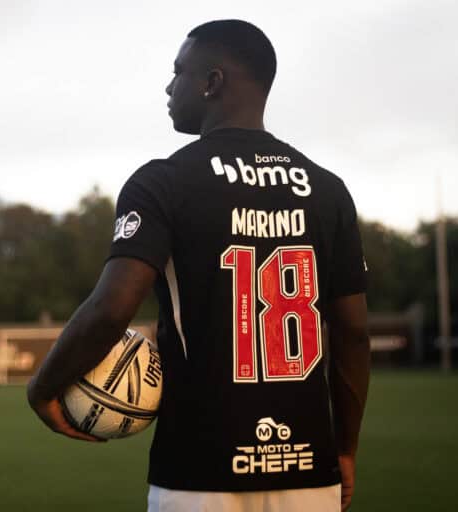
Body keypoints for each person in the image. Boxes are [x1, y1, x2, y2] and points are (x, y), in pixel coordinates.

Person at [27, 19, 370, 512]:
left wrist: (42, 388)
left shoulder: (162, 182)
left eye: (178, 72)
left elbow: (111, 309)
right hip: (309, 472)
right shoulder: (328, 190)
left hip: (197, 475)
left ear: (212, 82)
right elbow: (353, 333)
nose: (169, 87)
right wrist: (345, 449)